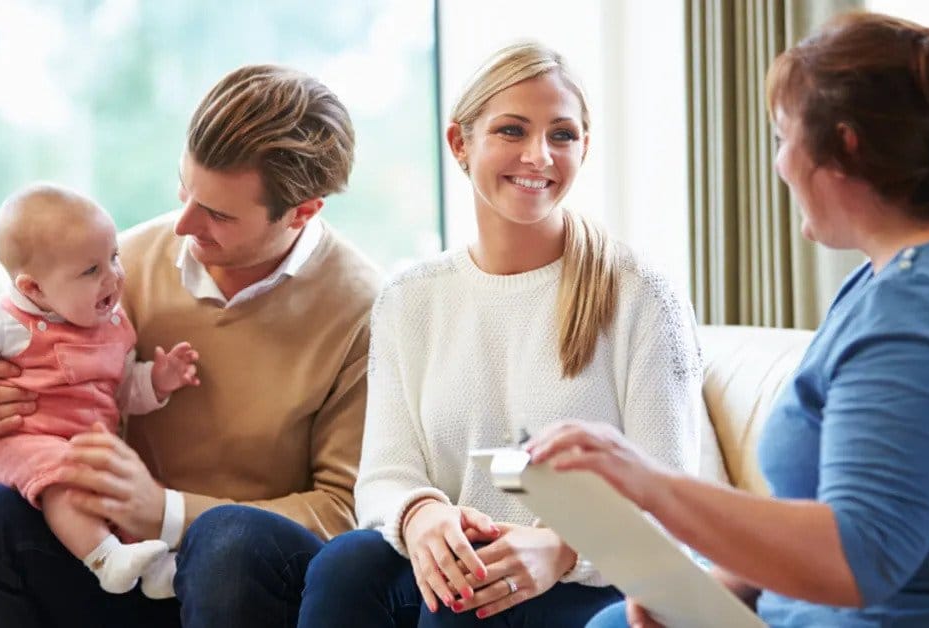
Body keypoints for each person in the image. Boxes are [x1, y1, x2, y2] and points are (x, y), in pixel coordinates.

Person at [525, 12, 929, 628]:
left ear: (844, 147)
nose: (780, 164)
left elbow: (858, 556)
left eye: (782, 137)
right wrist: (724, 584)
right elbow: (853, 492)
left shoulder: (921, 311)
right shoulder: (926, 265)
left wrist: (647, 480)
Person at [0, 64, 380, 628]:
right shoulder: (114, 263)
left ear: (302, 211)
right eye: (185, 188)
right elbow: (6, 356)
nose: (182, 224)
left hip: (247, 580)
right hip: (113, 559)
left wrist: (168, 514)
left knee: (227, 543)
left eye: (217, 213)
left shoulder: (363, 308)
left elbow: (343, 509)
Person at [298, 42, 726, 628]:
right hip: (477, 565)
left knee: (463, 604)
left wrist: (561, 546)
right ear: (459, 144)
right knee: (345, 565)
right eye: (512, 130)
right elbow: (385, 474)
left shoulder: (641, 294)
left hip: (606, 586)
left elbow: (671, 506)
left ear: (584, 147)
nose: (538, 156)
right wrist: (422, 515)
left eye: (562, 135)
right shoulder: (410, 298)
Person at [0, 184, 200, 598]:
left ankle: (153, 566)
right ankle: (106, 559)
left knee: (114, 478)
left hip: (78, 445)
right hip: (15, 445)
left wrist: (157, 381)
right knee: (64, 474)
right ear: (33, 289)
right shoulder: (1, 321)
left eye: (114, 258)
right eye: (92, 271)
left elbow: (123, 392)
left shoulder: (114, 325)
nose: (114, 277)